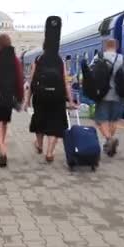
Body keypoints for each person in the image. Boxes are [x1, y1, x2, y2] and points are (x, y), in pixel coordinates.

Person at [24, 16, 76, 163]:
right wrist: (70, 100)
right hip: (57, 97)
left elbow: (31, 81)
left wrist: (27, 100)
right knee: (55, 124)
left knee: (40, 120)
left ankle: (39, 144)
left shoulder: (38, 59)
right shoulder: (60, 60)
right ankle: (49, 152)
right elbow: (66, 82)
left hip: (40, 96)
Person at [90, 38, 124, 157]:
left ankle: (109, 139)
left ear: (105, 46)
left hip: (103, 94)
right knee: (113, 120)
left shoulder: (99, 57)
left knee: (101, 120)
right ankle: (109, 144)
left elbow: (90, 73)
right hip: (120, 95)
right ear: (117, 46)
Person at [0, 34, 24, 168]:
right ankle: (1, 147)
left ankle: (2, 150)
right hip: (9, 96)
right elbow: (19, 79)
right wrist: (20, 97)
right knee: (4, 123)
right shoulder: (14, 59)